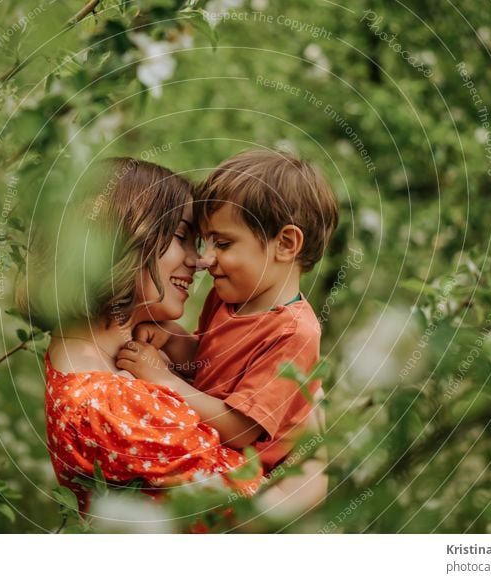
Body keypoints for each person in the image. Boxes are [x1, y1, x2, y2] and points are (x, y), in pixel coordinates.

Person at [20, 157, 322, 516]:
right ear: (118, 240)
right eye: (183, 237)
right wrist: (317, 448)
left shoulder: (117, 358)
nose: (200, 261)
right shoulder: (108, 404)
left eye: (215, 243)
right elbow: (252, 515)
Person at [115, 150, 338, 492]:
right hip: (208, 446)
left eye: (223, 243)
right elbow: (212, 367)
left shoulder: (294, 332)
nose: (205, 259)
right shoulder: (227, 297)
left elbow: (241, 427)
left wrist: (164, 379)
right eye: (206, 242)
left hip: (250, 481)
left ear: (286, 244)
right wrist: (172, 340)